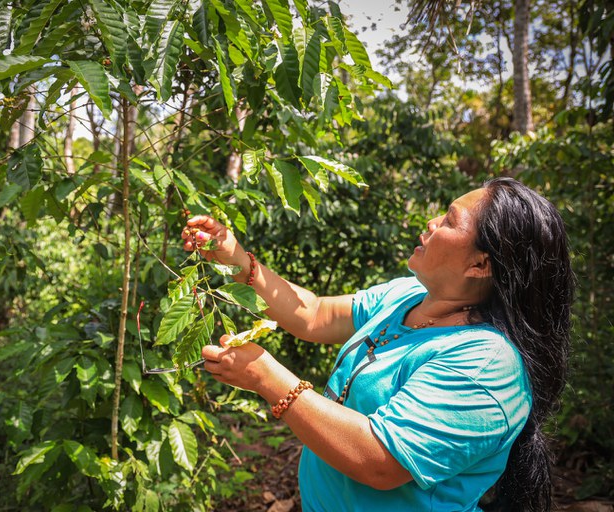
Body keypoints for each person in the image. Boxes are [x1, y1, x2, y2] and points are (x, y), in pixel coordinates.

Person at [181, 177, 574, 512]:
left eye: (449, 221)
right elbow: (313, 314)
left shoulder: (485, 363)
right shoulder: (408, 295)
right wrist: (235, 258)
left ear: (480, 265)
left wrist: (267, 377)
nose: (431, 222)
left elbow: (381, 461)